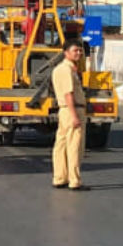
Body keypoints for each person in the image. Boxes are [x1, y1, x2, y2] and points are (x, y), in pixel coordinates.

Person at [51, 40, 88, 191]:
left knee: (61, 145)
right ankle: (74, 180)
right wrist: (74, 116)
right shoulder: (65, 70)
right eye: (75, 50)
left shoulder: (63, 69)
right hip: (71, 109)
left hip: (65, 110)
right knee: (74, 146)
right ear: (66, 52)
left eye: (80, 50)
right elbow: (68, 94)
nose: (78, 53)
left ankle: (60, 177)